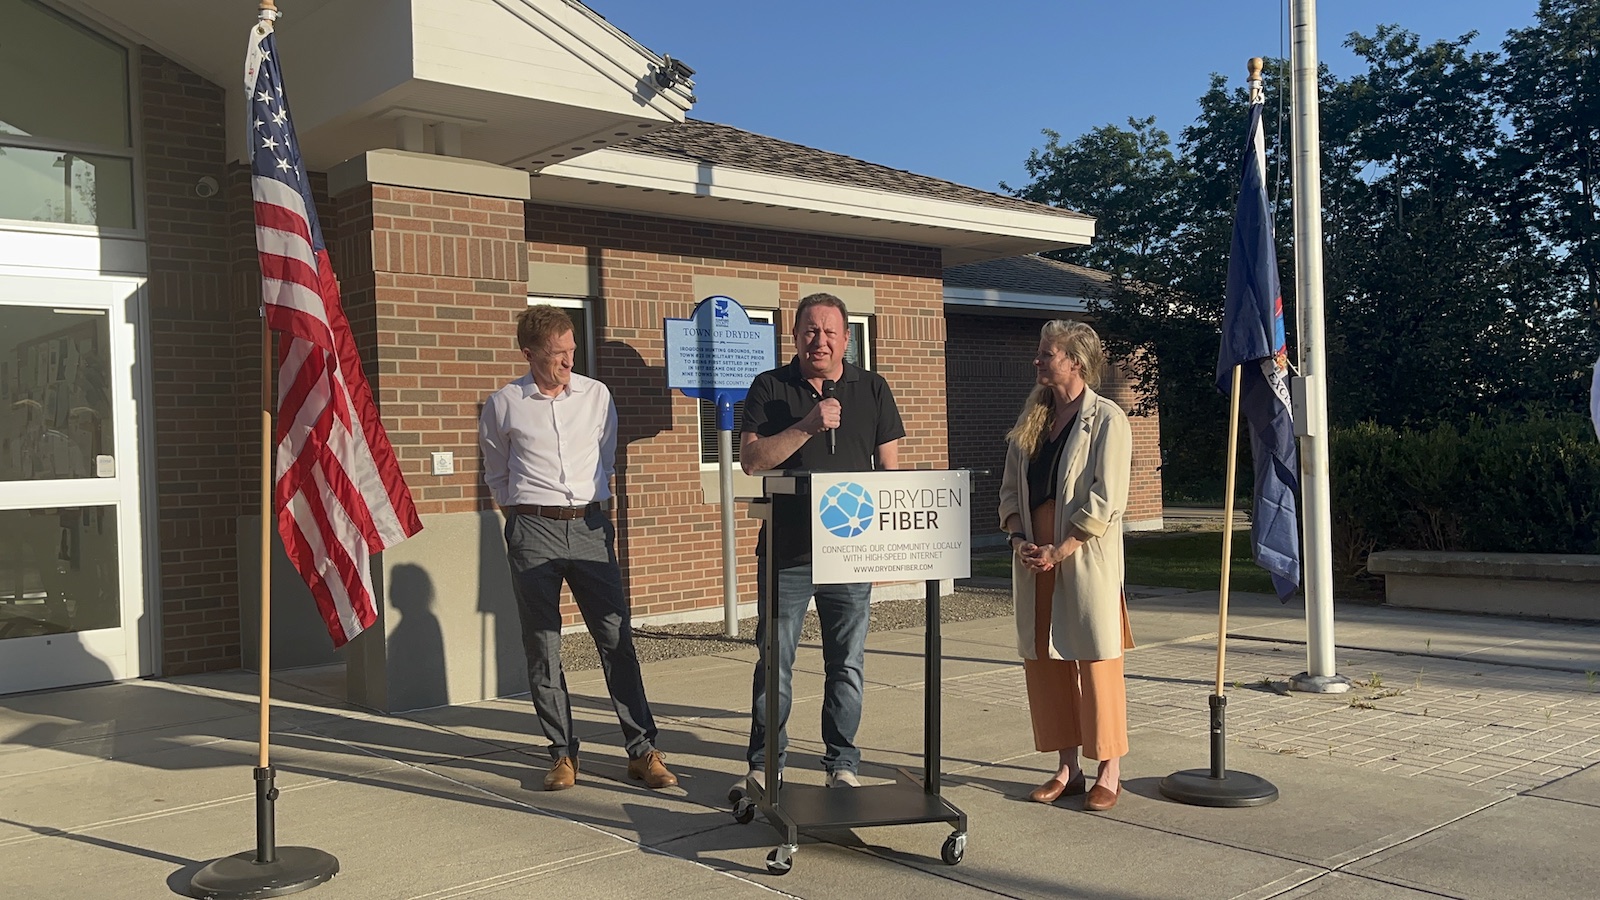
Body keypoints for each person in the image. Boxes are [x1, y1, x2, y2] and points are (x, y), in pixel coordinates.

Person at [479, 305, 677, 792]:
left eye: (572, 352)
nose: (568, 363)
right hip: (533, 529)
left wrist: (590, 510)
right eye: (557, 355)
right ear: (529, 354)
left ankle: (642, 751)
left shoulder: (596, 395)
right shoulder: (504, 404)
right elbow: (498, 473)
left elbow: (605, 455)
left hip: (590, 526)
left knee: (615, 640)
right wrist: (524, 519)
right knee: (543, 647)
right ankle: (562, 754)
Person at [737, 292, 905, 791]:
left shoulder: (872, 389)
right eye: (811, 330)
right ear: (794, 336)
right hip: (787, 553)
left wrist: (885, 546)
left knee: (847, 664)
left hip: (851, 554)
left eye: (831, 331)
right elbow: (752, 460)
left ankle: (842, 764)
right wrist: (808, 426)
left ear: (847, 338)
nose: (820, 341)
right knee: (775, 662)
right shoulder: (769, 387)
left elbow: (889, 474)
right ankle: (767, 763)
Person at [997, 320, 1134, 812]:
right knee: (1045, 664)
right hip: (1035, 562)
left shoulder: (1108, 420)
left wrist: (1063, 547)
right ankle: (1067, 767)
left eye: (1047, 354)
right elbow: (1011, 490)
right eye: (1039, 353)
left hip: (1082, 561)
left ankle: (1109, 770)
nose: (1037, 361)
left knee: (1097, 662)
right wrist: (1018, 539)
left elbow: (1106, 498)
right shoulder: (1032, 419)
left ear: (1075, 360)